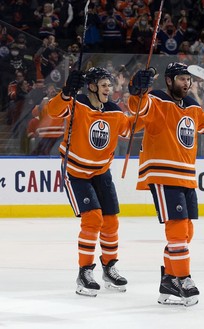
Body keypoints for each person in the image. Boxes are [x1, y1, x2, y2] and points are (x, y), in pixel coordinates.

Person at [127, 62, 204, 306]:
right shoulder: (157, 99)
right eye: (181, 78)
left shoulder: (192, 105)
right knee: (177, 227)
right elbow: (138, 107)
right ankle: (184, 279)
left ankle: (169, 280)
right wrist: (136, 88)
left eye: (188, 79)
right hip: (162, 172)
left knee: (186, 231)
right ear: (169, 80)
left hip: (186, 174)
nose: (187, 83)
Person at [46, 67, 140, 297]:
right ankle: (85, 272)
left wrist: (141, 96)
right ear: (92, 86)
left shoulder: (114, 111)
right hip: (76, 171)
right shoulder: (76, 104)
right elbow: (54, 110)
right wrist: (66, 92)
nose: (110, 89)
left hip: (101, 172)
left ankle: (109, 268)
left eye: (110, 84)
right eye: (104, 84)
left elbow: (131, 128)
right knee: (92, 219)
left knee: (110, 222)